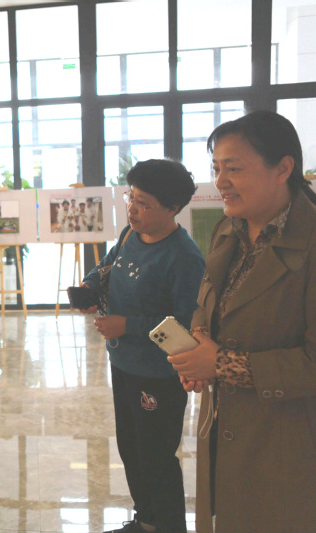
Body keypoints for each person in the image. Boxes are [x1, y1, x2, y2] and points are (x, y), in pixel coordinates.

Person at [167, 110, 316, 532]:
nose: (220, 181)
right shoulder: (228, 230)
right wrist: (199, 340)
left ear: (282, 169)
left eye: (233, 169)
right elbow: (210, 299)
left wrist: (221, 364)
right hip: (226, 427)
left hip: (289, 442)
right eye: (216, 168)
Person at [80, 159, 205, 533]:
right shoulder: (130, 235)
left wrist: (127, 325)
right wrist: (89, 286)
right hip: (124, 363)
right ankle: (147, 520)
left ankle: (167, 525)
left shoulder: (184, 257)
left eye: (143, 203)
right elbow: (107, 266)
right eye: (130, 198)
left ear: (172, 208)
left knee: (156, 454)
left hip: (159, 373)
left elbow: (185, 324)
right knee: (131, 448)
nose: (132, 209)